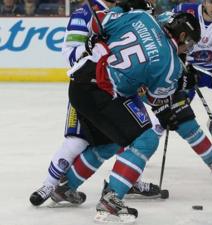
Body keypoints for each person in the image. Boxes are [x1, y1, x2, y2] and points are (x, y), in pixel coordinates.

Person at [51, 9, 201, 223]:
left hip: (79, 84)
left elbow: (98, 25)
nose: (189, 49)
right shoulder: (171, 65)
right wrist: (183, 83)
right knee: (147, 139)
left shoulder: (142, 17)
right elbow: (154, 97)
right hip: (102, 93)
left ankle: (67, 186)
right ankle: (112, 198)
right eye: (191, 43)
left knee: (115, 139)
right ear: (183, 36)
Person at [29, 0, 160, 207]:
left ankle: (130, 180)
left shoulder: (126, 8)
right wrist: (90, 48)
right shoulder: (85, 11)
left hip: (116, 88)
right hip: (88, 86)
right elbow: (70, 54)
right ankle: (50, 184)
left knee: (129, 135)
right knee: (77, 141)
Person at [145, 0, 212, 181]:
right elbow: (169, 34)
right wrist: (180, 62)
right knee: (173, 112)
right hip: (186, 69)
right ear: (204, 1)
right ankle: (146, 148)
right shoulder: (185, 10)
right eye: (211, 1)